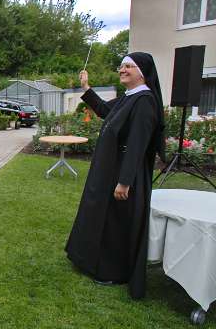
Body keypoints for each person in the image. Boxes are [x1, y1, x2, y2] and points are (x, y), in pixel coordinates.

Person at [65, 52, 165, 299]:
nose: (122, 69)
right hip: (109, 170)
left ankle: (112, 271)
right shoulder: (128, 98)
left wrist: (124, 181)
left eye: (128, 66)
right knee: (100, 216)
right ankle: (90, 261)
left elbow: (137, 145)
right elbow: (103, 110)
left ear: (142, 72)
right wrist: (86, 87)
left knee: (115, 223)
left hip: (123, 175)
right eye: (121, 66)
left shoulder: (144, 101)